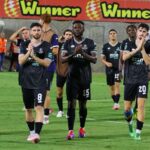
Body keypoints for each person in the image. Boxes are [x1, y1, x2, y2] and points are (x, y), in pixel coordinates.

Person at [61, 20, 97, 140]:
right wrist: (73, 53)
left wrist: (82, 53)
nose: (77, 29)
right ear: (72, 29)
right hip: (72, 78)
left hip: (85, 78)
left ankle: (82, 128)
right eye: (75, 27)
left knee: (83, 104)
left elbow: (94, 59)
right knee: (71, 103)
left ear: (83, 29)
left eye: (79, 27)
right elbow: (62, 59)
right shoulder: (67, 43)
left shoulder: (90, 42)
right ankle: (70, 131)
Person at [18, 22, 52, 143]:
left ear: (41, 31)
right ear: (31, 32)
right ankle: (32, 133)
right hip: (26, 81)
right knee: (28, 109)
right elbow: (21, 61)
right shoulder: (24, 44)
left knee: (39, 107)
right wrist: (28, 53)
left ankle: (37, 134)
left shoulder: (47, 46)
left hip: (40, 82)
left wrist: (35, 56)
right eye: (34, 30)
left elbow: (47, 63)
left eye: (39, 30)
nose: (36, 32)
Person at [122, 23, 150, 140]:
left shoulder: (148, 45)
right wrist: (136, 49)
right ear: (137, 31)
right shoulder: (127, 43)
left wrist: (142, 48)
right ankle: (130, 125)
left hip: (142, 79)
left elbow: (148, 62)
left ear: (147, 34)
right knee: (127, 109)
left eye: (144, 32)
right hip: (129, 80)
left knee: (141, 106)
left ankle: (138, 133)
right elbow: (124, 58)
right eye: (140, 30)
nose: (141, 33)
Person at [39, 14, 59, 124]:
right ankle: (40, 112)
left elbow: (55, 51)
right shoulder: (38, 33)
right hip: (37, 66)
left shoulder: (53, 35)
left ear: (42, 20)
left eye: (40, 19)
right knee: (37, 90)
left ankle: (46, 115)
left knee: (46, 91)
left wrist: (44, 51)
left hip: (48, 66)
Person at [101, 29, 121, 110]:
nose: (112, 35)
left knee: (117, 85)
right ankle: (115, 102)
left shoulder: (121, 45)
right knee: (112, 87)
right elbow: (102, 59)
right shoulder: (105, 46)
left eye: (114, 33)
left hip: (118, 69)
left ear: (116, 35)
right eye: (111, 33)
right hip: (109, 70)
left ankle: (116, 103)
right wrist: (107, 63)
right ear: (109, 35)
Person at [56, 29, 73, 117]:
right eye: (66, 34)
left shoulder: (74, 46)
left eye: (70, 34)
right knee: (59, 92)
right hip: (60, 71)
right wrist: (59, 41)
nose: (68, 36)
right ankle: (60, 110)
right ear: (64, 35)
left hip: (71, 72)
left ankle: (69, 112)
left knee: (70, 93)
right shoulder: (59, 45)